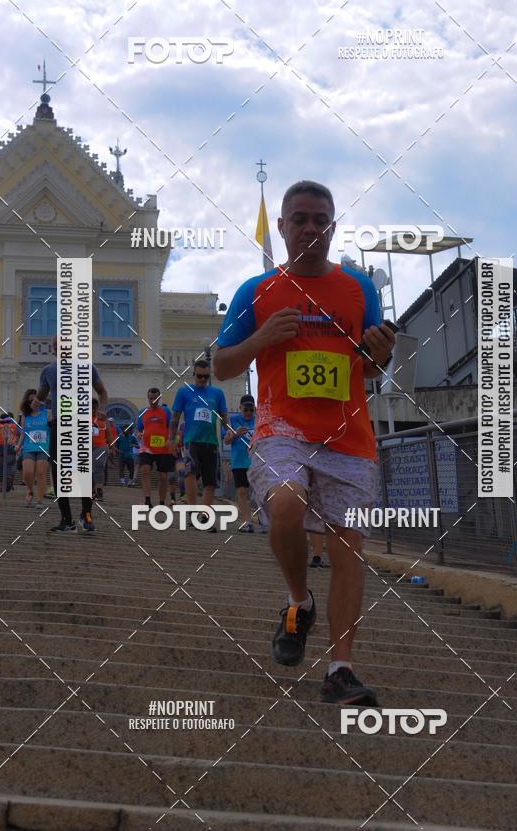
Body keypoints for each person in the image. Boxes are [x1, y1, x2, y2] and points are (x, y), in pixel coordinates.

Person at [214, 179, 394, 705]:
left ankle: (340, 668)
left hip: (348, 437)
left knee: (347, 549)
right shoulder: (257, 291)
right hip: (281, 430)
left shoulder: (361, 290)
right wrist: (260, 339)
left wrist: (384, 351)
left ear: (332, 226)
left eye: (321, 219)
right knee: (286, 505)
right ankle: (299, 602)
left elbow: (372, 369)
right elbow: (221, 365)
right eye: (300, 219)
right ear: (285, 228)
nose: (311, 227)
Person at [37, 335, 108, 533]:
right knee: (58, 472)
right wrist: (35, 402)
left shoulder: (87, 367)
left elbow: (102, 392)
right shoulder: (49, 370)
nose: (58, 350)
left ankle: (86, 516)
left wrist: (101, 408)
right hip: (59, 425)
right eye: (55, 347)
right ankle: (66, 520)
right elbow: (41, 395)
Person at [169, 360, 228, 532]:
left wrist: (228, 431)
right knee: (190, 474)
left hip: (211, 442)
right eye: (199, 376)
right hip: (191, 441)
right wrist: (171, 439)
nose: (202, 379)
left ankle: (204, 516)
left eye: (205, 376)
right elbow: (175, 417)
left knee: (210, 482)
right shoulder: (184, 392)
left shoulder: (217, 393)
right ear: (193, 375)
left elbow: (224, 416)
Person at [223, 394, 256, 533]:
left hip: (257, 462)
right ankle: (246, 521)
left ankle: (265, 520)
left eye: (251, 409)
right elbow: (226, 441)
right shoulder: (233, 420)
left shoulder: (260, 421)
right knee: (242, 492)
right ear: (240, 408)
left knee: (259, 494)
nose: (248, 412)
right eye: (245, 409)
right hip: (239, 462)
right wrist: (236, 434)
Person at [137, 388, 174, 509]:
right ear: (148, 398)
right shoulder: (143, 412)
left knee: (163, 476)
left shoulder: (166, 411)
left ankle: (162, 502)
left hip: (163, 448)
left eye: (156, 398)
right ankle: (147, 500)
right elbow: (138, 428)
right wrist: (138, 434)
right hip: (146, 447)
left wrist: (170, 439)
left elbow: (172, 426)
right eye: (151, 398)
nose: (153, 401)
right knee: (144, 470)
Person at [17, 389, 50, 506]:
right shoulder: (26, 416)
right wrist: (18, 445)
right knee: (28, 473)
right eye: (30, 400)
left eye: (35, 400)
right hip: (28, 448)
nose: (33, 403)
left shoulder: (48, 413)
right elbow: (23, 433)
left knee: (41, 473)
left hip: (43, 448)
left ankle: (40, 500)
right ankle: (30, 491)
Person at [92, 398, 114, 503]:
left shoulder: (103, 419)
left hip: (100, 446)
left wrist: (112, 447)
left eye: (93, 408)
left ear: (96, 408)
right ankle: (91, 490)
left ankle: (99, 491)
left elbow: (109, 435)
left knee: (98, 465)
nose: (91, 410)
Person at [0, 412, 19, 492]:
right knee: (9, 466)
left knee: (0, 467)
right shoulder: (13, 426)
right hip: (10, 447)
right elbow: (20, 434)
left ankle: (1, 487)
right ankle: (9, 477)